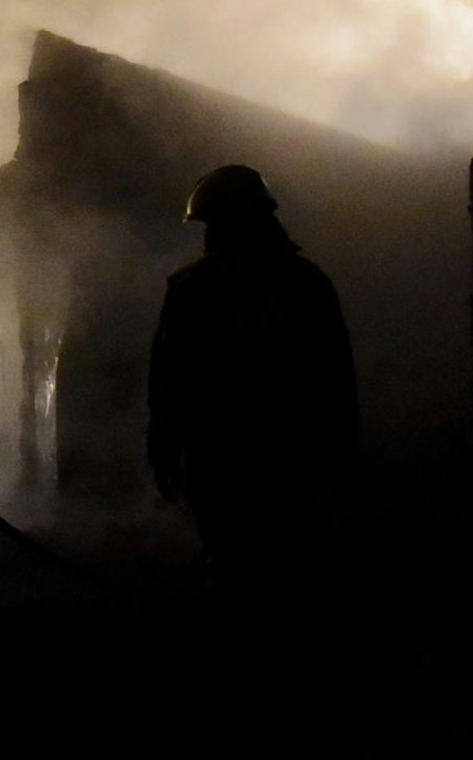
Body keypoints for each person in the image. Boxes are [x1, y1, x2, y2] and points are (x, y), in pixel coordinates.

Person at [148, 165, 357, 586]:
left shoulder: (192, 290)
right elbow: (338, 381)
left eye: (212, 223)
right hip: (297, 458)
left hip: (222, 459)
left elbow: (170, 380)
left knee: (235, 566)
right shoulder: (308, 283)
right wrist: (341, 459)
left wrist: (163, 449)